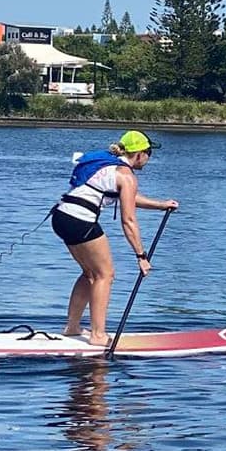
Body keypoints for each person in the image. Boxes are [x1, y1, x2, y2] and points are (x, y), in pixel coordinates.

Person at [50, 130, 179, 345]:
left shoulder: (107, 165)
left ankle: (72, 328)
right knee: (105, 275)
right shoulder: (126, 176)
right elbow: (128, 220)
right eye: (148, 153)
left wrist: (160, 205)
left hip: (62, 217)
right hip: (81, 220)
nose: (149, 159)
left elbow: (129, 197)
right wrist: (141, 256)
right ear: (138, 154)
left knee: (90, 273)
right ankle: (98, 335)